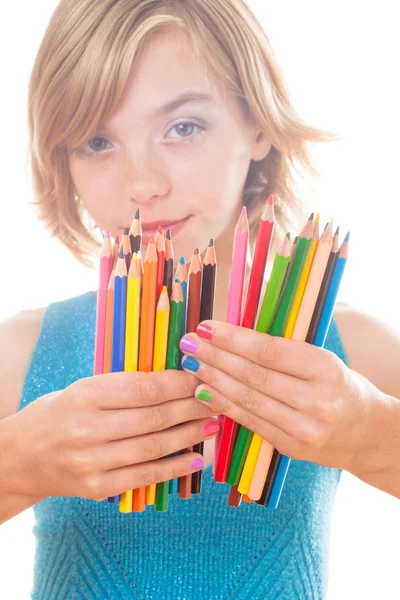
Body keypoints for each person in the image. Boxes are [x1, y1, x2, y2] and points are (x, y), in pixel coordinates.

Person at [0, 0, 399, 598]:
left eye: (183, 127)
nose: (143, 183)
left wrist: (371, 431)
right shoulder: (23, 351)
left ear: (257, 123)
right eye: (96, 142)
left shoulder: (345, 346)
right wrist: (16, 465)